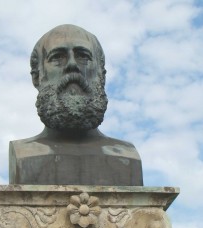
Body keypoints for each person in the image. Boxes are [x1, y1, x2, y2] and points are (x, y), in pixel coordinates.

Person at [9, 24, 143, 186]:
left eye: (83, 56)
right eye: (57, 57)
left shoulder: (127, 155)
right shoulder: (23, 153)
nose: (72, 65)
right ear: (37, 77)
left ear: (102, 75)